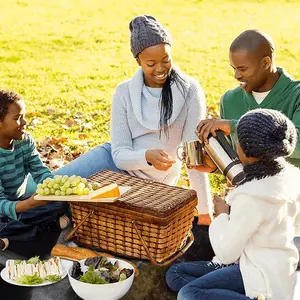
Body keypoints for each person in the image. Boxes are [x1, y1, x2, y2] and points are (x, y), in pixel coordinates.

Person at [48, 15, 213, 226]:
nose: (161, 69)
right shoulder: (124, 92)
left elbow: (193, 155)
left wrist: (205, 211)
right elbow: (118, 155)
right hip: (114, 162)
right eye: (151, 63)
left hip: (150, 183)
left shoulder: (190, 90)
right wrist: (146, 156)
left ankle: (64, 218)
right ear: (138, 61)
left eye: (166, 59)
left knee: (76, 207)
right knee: (48, 188)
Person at [166, 108, 300, 300]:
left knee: (188, 293)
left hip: (259, 277)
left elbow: (226, 252)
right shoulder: (292, 178)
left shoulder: (251, 197)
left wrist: (222, 215)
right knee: (175, 275)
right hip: (273, 268)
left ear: (245, 150)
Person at [195, 29, 300, 172]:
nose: (236, 75)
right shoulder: (230, 100)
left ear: (266, 63)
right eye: (234, 68)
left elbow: (296, 144)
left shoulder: (296, 95)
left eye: (242, 69)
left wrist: (235, 127)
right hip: (250, 190)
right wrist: (215, 167)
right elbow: (238, 162)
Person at [0, 90, 70, 243]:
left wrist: (54, 189)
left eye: (24, 116)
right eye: (17, 118)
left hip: (22, 203)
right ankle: (46, 229)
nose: (24, 122)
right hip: (4, 209)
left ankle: (14, 237)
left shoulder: (25, 141)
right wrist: (29, 204)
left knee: (63, 203)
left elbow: (40, 171)